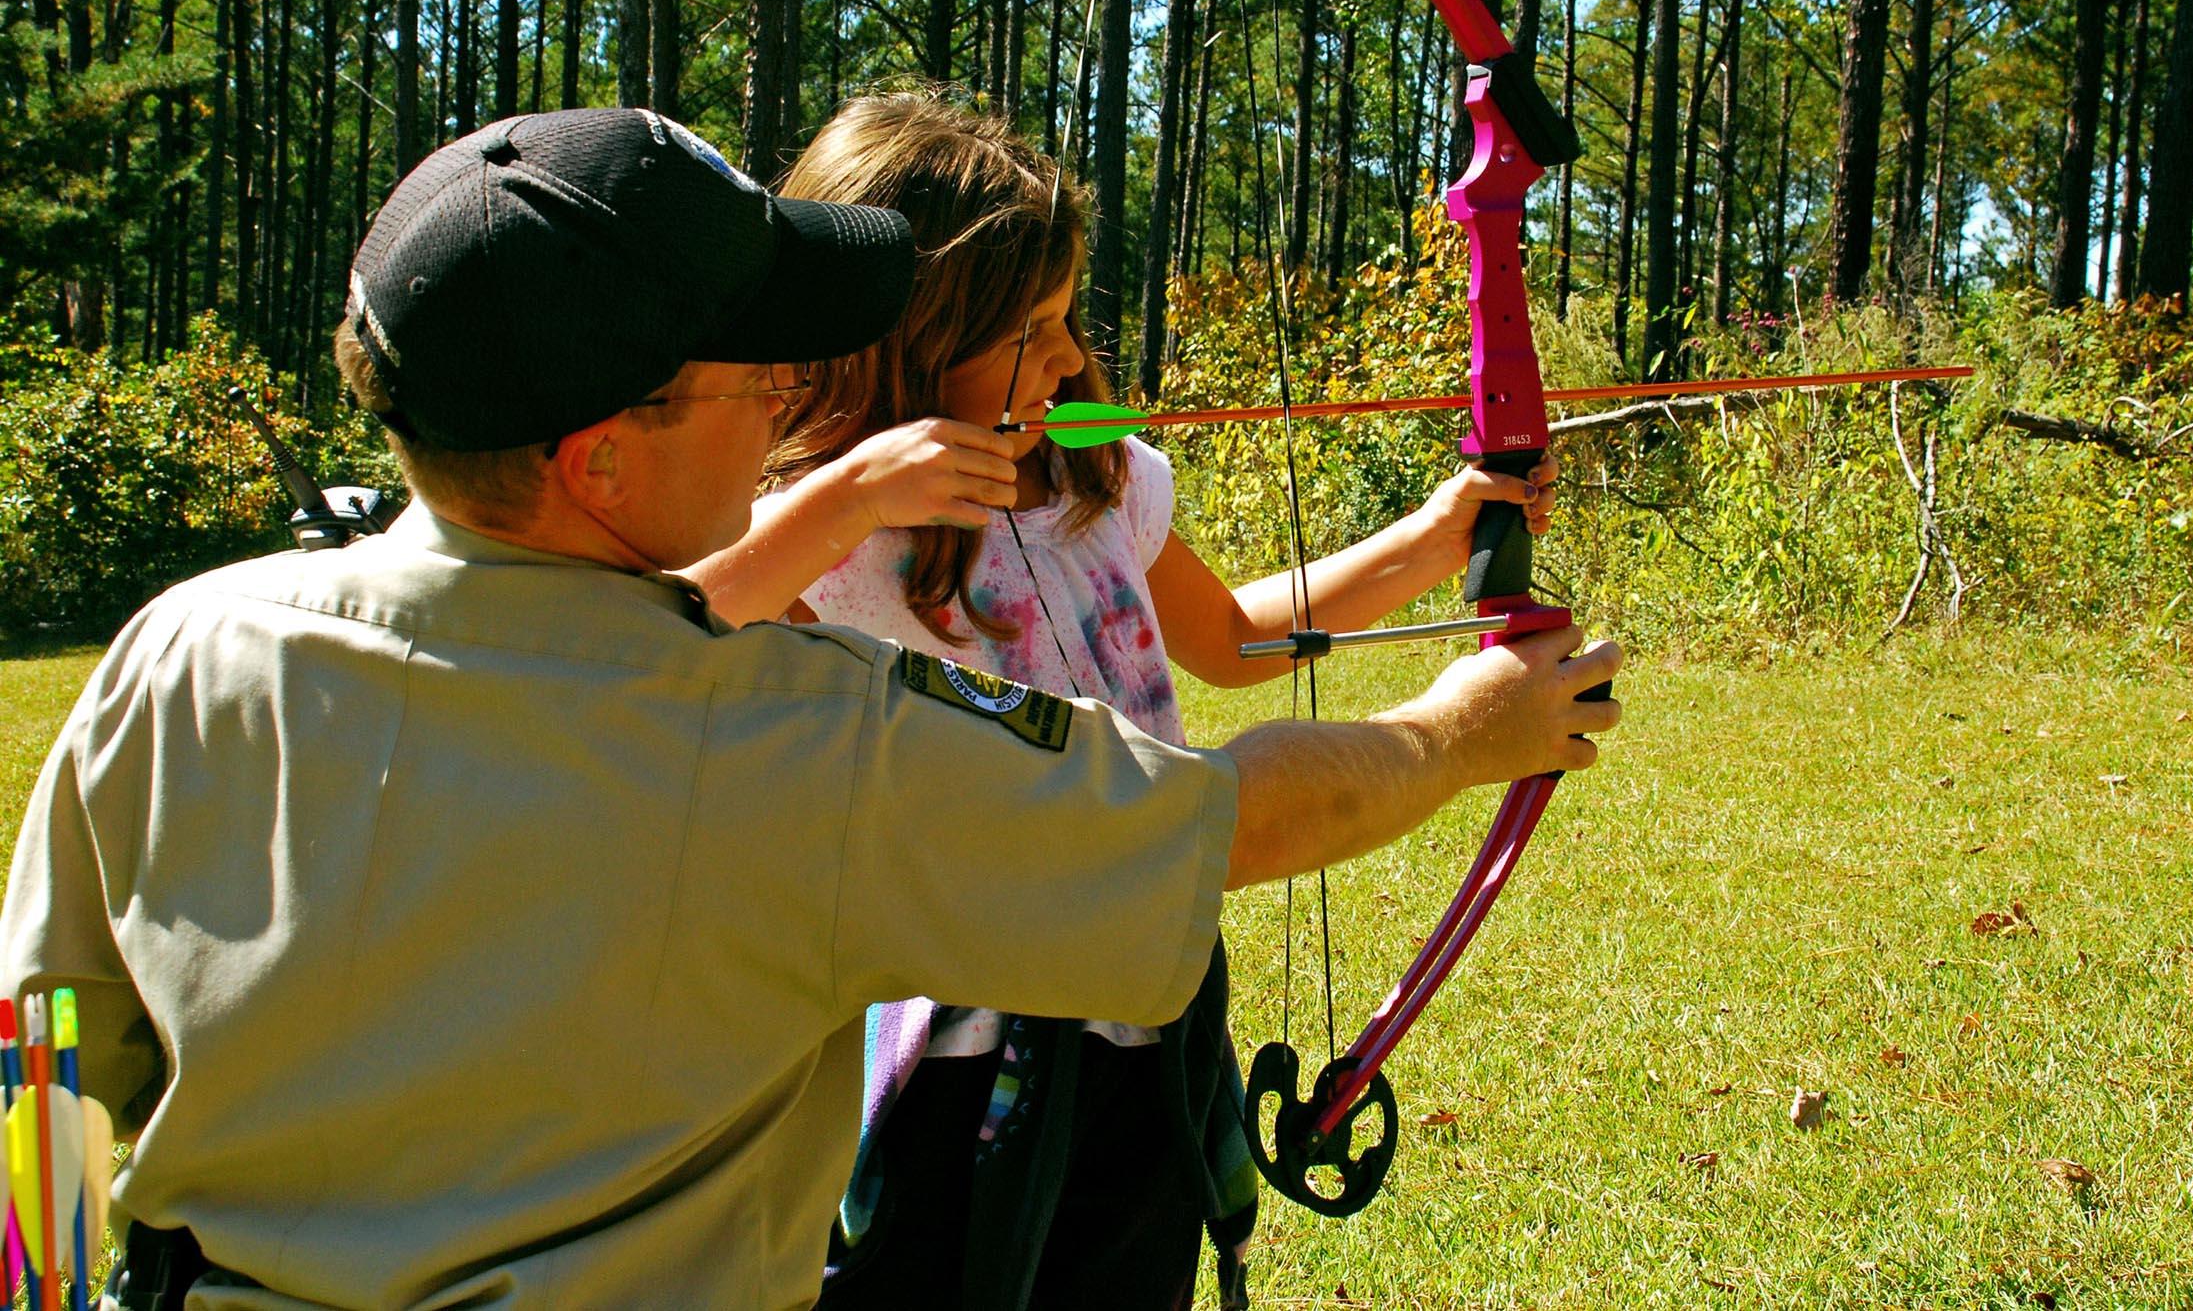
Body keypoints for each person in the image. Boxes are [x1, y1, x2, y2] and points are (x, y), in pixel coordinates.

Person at [0, 108, 1622, 1311]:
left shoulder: (174, 657)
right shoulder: (788, 736)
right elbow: (1225, 816)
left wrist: (56, 1290)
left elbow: (41, 1053)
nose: (799, 396)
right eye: (758, 373)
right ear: (601, 455)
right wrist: (1473, 729)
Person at [683, 93, 1568, 1310]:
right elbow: (663, 644)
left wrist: (1430, 540)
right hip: (947, 1074)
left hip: (1144, 1014)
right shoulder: (815, 540)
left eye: (1064, 318)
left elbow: (1234, 638)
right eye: (1026, 329)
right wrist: (846, 500)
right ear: (902, 340)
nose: (1065, 357)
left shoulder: (1096, 476)